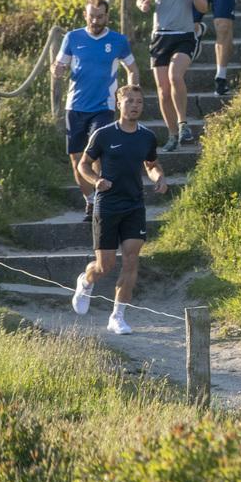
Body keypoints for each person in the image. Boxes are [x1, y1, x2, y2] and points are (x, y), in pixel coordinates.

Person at [70, 84, 167, 334]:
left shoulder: (146, 136)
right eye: (130, 101)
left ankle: (118, 316)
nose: (135, 106)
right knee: (106, 266)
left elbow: (152, 163)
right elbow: (84, 165)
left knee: (131, 260)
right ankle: (86, 280)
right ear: (119, 103)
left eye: (140, 102)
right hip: (108, 205)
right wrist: (96, 181)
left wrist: (159, 177)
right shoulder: (103, 134)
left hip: (134, 204)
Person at [53, 0, 140, 223]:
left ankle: (104, 199)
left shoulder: (117, 40)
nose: (95, 20)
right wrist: (58, 69)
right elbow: (59, 65)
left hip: (104, 106)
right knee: (76, 159)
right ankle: (90, 200)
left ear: (107, 16)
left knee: (98, 154)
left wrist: (130, 93)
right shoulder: (72, 38)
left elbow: (132, 67)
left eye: (100, 16)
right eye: (92, 15)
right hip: (75, 106)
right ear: (85, 14)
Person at [136, 0, 208, 152]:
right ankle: (172, 135)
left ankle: (183, 122)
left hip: (183, 35)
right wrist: (144, 5)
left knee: (175, 75)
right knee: (162, 90)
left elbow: (204, 7)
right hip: (160, 36)